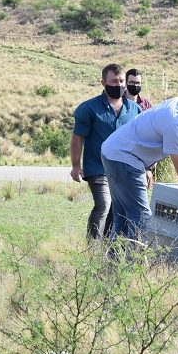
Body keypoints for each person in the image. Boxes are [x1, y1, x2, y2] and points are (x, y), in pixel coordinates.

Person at [101, 97, 178, 241]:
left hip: (112, 152)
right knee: (142, 220)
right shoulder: (176, 123)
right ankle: (135, 262)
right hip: (124, 159)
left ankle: (111, 261)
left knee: (123, 217)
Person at [70, 63, 141, 240]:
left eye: (121, 81)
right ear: (103, 82)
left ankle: (110, 249)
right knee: (104, 204)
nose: (118, 85)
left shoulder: (135, 109)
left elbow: (140, 141)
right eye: (113, 81)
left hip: (125, 170)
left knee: (119, 211)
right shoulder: (89, 108)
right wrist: (75, 166)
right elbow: (77, 137)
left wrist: (147, 169)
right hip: (98, 168)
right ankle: (92, 248)